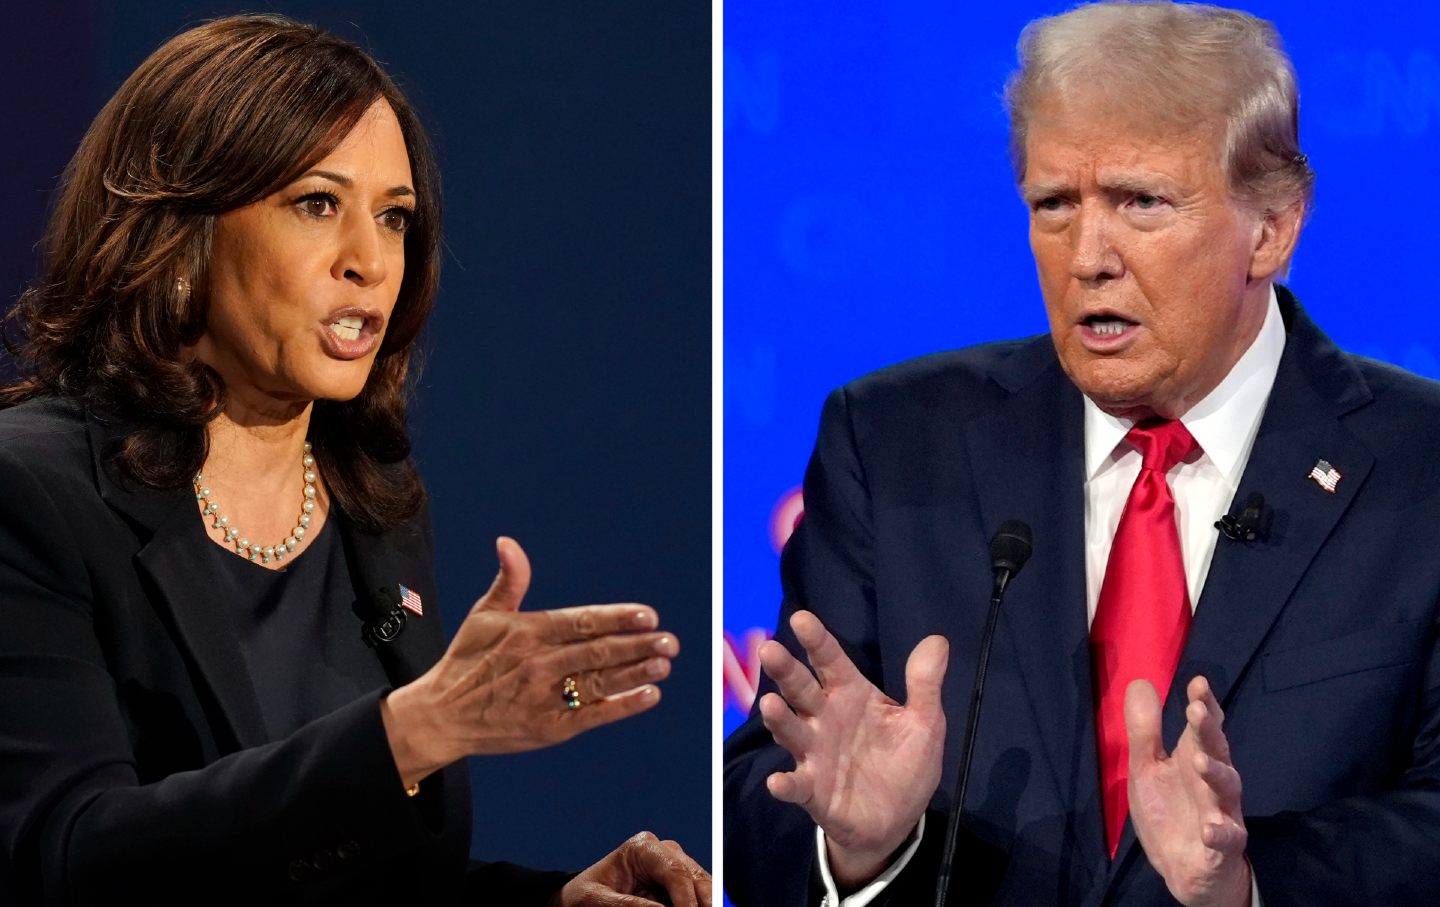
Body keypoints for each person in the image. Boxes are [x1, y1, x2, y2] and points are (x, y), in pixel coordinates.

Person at [724, 3, 1440, 906]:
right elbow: (760, 795)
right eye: (1054, 204)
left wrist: (1254, 878)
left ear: (1272, 228)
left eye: (1141, 201)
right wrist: (859, 847)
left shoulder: (1423, 468)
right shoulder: (895, 443)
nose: (1088, 257)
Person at [0, 15, 709, 906]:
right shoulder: (32, 491)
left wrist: (552, 902)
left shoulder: (373, 504)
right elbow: (69, 859)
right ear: (182, 233)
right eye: (316, 204)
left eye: (395, 218)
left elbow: (364, 875)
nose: (371, 262)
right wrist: (412, 730)